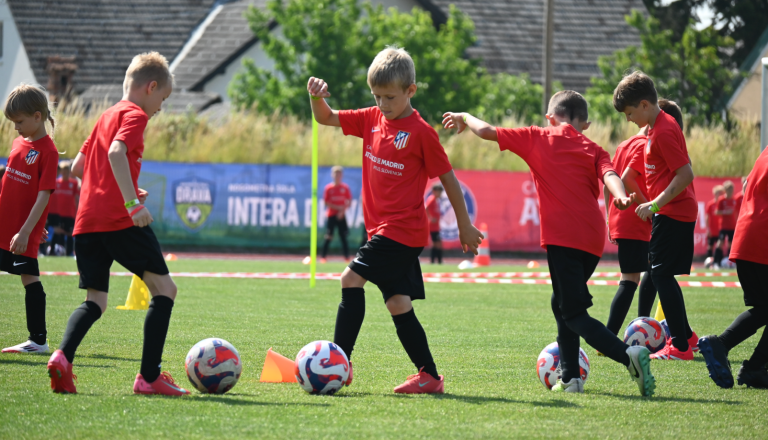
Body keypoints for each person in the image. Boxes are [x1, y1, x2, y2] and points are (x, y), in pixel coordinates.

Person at [443, 90, 655, 396]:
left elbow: (487, 131)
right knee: (561, 304)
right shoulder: (594, 148)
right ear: (585, 124)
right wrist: (620, 197)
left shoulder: (538, 136)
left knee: (573, 313)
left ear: (549, 118)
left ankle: (628, 357)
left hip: (563, 238)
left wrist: (463, 116)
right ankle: (571, 378)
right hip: (593, 240)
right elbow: (611, 175)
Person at [307, 46, 483, 394]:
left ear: (410, 91)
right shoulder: (371, 118)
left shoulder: (421, 133)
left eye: (389, 96)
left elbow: (447, 177)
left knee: (349, 278)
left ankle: (338, 365)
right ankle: (429, 377)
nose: (383, 103)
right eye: (377, 96)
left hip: (402, 231)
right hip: (384, 231)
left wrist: (464, 225)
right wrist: (315, 96)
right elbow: (325, 118)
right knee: (397, 303)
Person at [46, 52, 189, 396]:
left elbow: (80, 169)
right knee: (165, 290)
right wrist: (130, 202)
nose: (160, 108)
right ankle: (149, 377)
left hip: (86, 223)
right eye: (163, 99)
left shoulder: (104, 116)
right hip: (118, 220)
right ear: (151, 87)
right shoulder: (135, 114)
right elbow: (115, 153)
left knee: (95, 301)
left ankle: (62, 356)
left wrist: (119, 187)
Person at [613, 71, 699, 361]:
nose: (628, 119)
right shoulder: (657, 127)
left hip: (673, 211)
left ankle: (680, 346)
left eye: (629, 112)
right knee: (660, 274)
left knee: (660, 274)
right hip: (670, 210)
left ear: (645, 105)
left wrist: (654, 205)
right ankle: (684, 338)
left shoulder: (662, 130)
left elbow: (685, 173)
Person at [603, 99, 686, 337]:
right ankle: (609, 338)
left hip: (621, 217)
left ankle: (643, 327)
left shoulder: (624, 145)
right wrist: (650, 207)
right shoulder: (645, 144)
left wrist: (610, 218)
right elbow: (629, 180)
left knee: (649, 271)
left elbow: (610, 184)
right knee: (633, 278)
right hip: (638, 218)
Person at [698, 147, 768, 389]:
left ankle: (726, 348)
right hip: (763, 239)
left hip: (747, 236)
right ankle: (755, 367)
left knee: (763, 308)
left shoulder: (765, 153)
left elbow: (748, 184)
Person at [0, 84, 58, 354]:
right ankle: (38, 340)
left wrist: (27, 231)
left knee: (29, 277)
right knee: (27, 276)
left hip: (19, 234)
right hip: (4, 226)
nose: (15, 128)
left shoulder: (48, 151)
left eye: (19, 122)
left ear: (37, 117)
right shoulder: (17, 143)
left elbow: (43, 196)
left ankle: (38, 341)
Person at [320, 165, 352, 263]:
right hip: (332, 215)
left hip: (342, 216)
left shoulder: (345, 188)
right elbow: (326, 202)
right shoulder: (329, 188)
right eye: (335, 173)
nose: (337, 175)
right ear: (332, 175)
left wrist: (342, 211)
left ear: (342, 175)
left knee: (343, 237)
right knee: (329, 236)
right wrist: (338, 209)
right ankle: (323, 257)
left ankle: (347, 258)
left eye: (339, 173)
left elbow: (349, 200)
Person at [52, 160, 79, 257]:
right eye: (63, 171)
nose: (65, 173)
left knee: (70, 233)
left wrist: (77, 213)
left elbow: (76, 199)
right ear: (60, 172)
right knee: (57, 233)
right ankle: (53, 252)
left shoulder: (74, 183)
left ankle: (69, 252)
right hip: (58, 213)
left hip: (70, 213)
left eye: (67, 171)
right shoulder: (55, 183)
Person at [715, 180, 737, 260]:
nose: (731, 191)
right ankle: (716, 262)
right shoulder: (721, 200)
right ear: (726, 190)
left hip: (732, 226)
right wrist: (726, 212)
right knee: (720, 243)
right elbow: (716, 212)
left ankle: (729, 261)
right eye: (729, 190)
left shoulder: (734, 200)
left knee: (731, 244)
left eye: (732, 190)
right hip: (723, 226)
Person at [704, 185, 725, 269]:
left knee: (720, 246)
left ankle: (718, 262)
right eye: (719, 193)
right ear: (715, 194)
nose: (720, 195)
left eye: (722, 193)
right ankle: (709, 264)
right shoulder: (711, 204)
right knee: (710, 246)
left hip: (720, 229)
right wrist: (708, 229)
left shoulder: (723, 204)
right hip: (712, 230)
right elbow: (707, 217)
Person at [425, 183, 444, 264]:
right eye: (439, 191)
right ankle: (435, 261)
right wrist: (430, 218)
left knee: (438, 243)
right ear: (434, 191)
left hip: (436, 226)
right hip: (433, 227)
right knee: (437, 243)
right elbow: (426, 208)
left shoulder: (436, 201)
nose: (440, 193)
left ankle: (437, 261)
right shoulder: (432, 199)